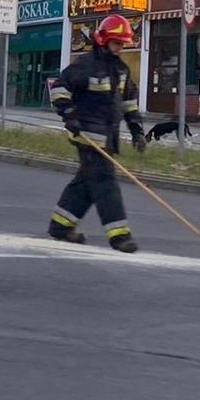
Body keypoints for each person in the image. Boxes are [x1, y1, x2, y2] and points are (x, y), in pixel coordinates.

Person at [45, 13, 145, 253]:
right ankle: (119, 236)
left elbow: (129, 102)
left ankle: (60, 225)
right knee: (104, 181)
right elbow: (59, 88)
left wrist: (137, 131)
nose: (121, 48)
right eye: (117, 43)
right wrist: (69, 115)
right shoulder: (85, 65)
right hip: (87, 135)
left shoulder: (121, 70)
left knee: (86, 182)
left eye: (123, 44)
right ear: (103, 40)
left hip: (108, 137)